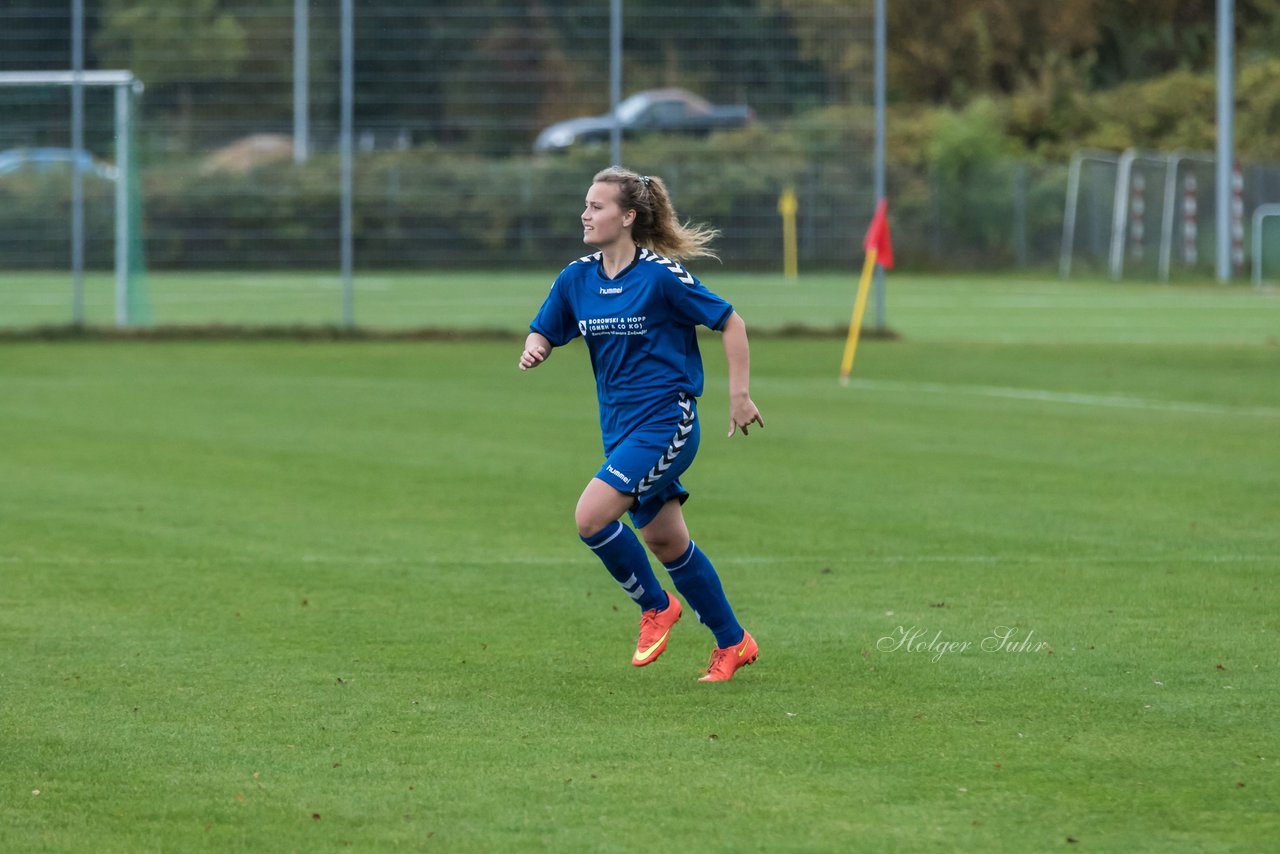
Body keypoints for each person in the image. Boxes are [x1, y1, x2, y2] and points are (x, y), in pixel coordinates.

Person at [519, 165, 764, 682]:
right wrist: (536, 346)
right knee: (666, 543)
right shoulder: (576, 277)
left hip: (665, 424)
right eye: (585, 205)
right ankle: (734, 643)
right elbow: (546, 327)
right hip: (620, 429)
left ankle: (657, 607)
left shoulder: (659, 275)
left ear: (628, 216)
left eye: (597, 206)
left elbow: (730, 321)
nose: (585, 214)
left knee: (591, 518)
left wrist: (739, 395)